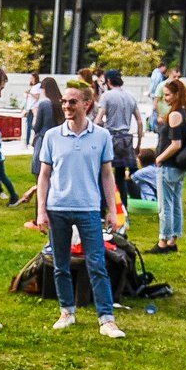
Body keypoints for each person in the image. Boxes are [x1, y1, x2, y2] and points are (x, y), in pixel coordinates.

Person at [34, 80, 127, 338]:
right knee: (60, 264)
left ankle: (106, 319)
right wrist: (41, 210)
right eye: (64, 101)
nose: (66, 106)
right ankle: (67, 311)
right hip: (57, 207)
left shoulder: (101, 136)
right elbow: (44, 176)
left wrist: (112, 210)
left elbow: (107, 176)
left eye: (72, 102)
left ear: (87, 104)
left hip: (88, 208)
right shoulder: (52, 136)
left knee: (96, 263)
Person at [148, 77, 186, 253]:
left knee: (165, 205)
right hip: (179, 167)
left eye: (167, 95)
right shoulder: (183, 113)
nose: (165, 98)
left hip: (168, 165)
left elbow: (176, 143)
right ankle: (173, 239)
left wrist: (159, 158)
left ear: (176, 95)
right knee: (175, 202)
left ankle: (163, 241)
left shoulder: (174, 115)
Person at [99, 69, 144, 175]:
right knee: (123, 172)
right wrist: (138, 144)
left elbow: (98, 120)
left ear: (108, 81)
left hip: (112, 138)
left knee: (105, 171)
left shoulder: (107, 96)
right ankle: (134, 191)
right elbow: (140, 122)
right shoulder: (130, 96)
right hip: (126, 140)